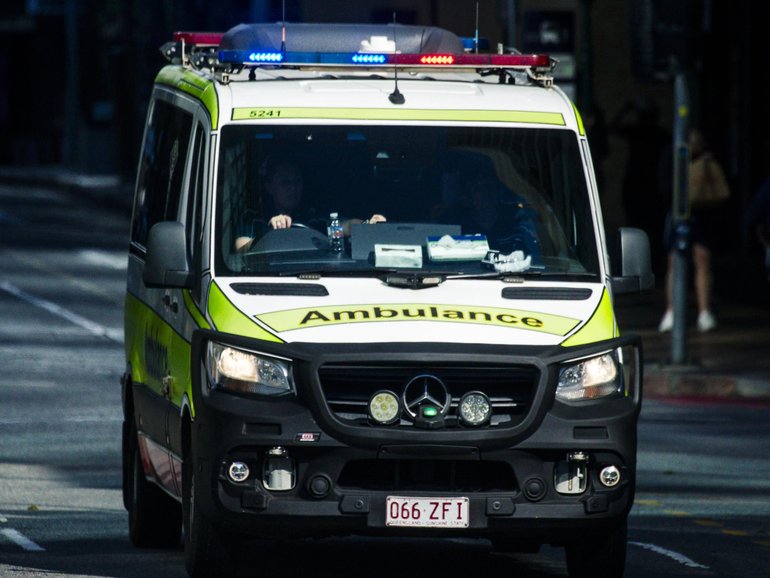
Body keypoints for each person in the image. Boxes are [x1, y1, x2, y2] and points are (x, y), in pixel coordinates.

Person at [658, 128, 731, 333]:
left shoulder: (708, 161)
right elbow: (665, 185)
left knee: (702, 259)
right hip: (679, 214)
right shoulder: (672, 158)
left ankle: (704, 312)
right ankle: (672, 310)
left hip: (702, 215)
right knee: (675, 261)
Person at [234, 159, 385, 252]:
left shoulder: (313, 216)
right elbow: (240, 246)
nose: (293, 188)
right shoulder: (255, 216)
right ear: (269, 187)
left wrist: (367, 225)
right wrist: (269, 233)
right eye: (285, 182)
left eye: (297, 181)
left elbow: (345, 226)